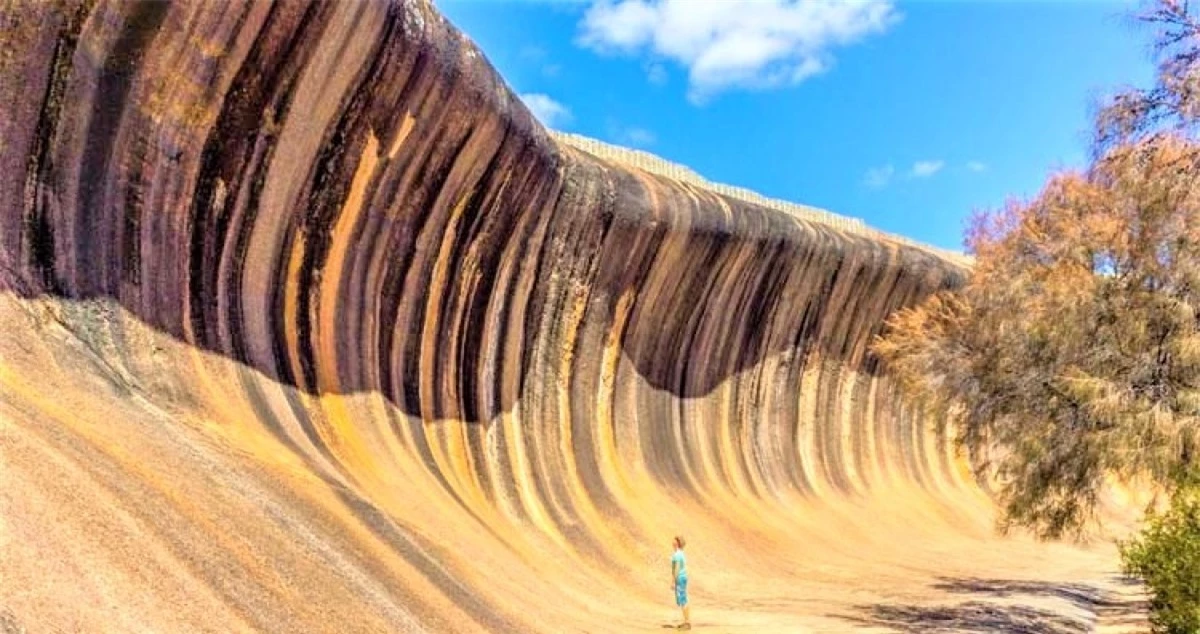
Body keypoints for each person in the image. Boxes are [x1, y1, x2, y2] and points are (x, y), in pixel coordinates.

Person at [671, 535, 690, 629]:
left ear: (678, 543)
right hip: (682, 578)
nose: (672, 542)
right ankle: (685, 621)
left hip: (680, 578)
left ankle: (687, 622)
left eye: (674, 541)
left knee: (683, 600)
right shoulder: (680, 553)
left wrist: (673, 581)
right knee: (683, 599)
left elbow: (677, 568)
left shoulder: (677, 554)